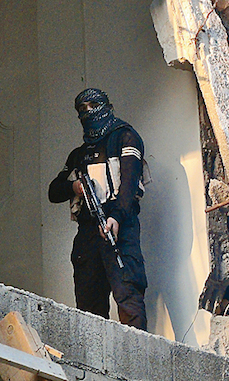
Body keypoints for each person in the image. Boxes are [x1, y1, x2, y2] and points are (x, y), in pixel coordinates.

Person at [49, 88, 148, 330]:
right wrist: (76, 187)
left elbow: (129, 184)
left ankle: (135, 355)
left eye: (94, 105)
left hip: (120, 226)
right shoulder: (78, 156)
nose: (88, 112)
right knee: (88, 301)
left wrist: (115, 217)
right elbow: (54, 191)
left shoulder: (125, 137)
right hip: (88, 232)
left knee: (127, 293)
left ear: (106, 105)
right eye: (82, 109)